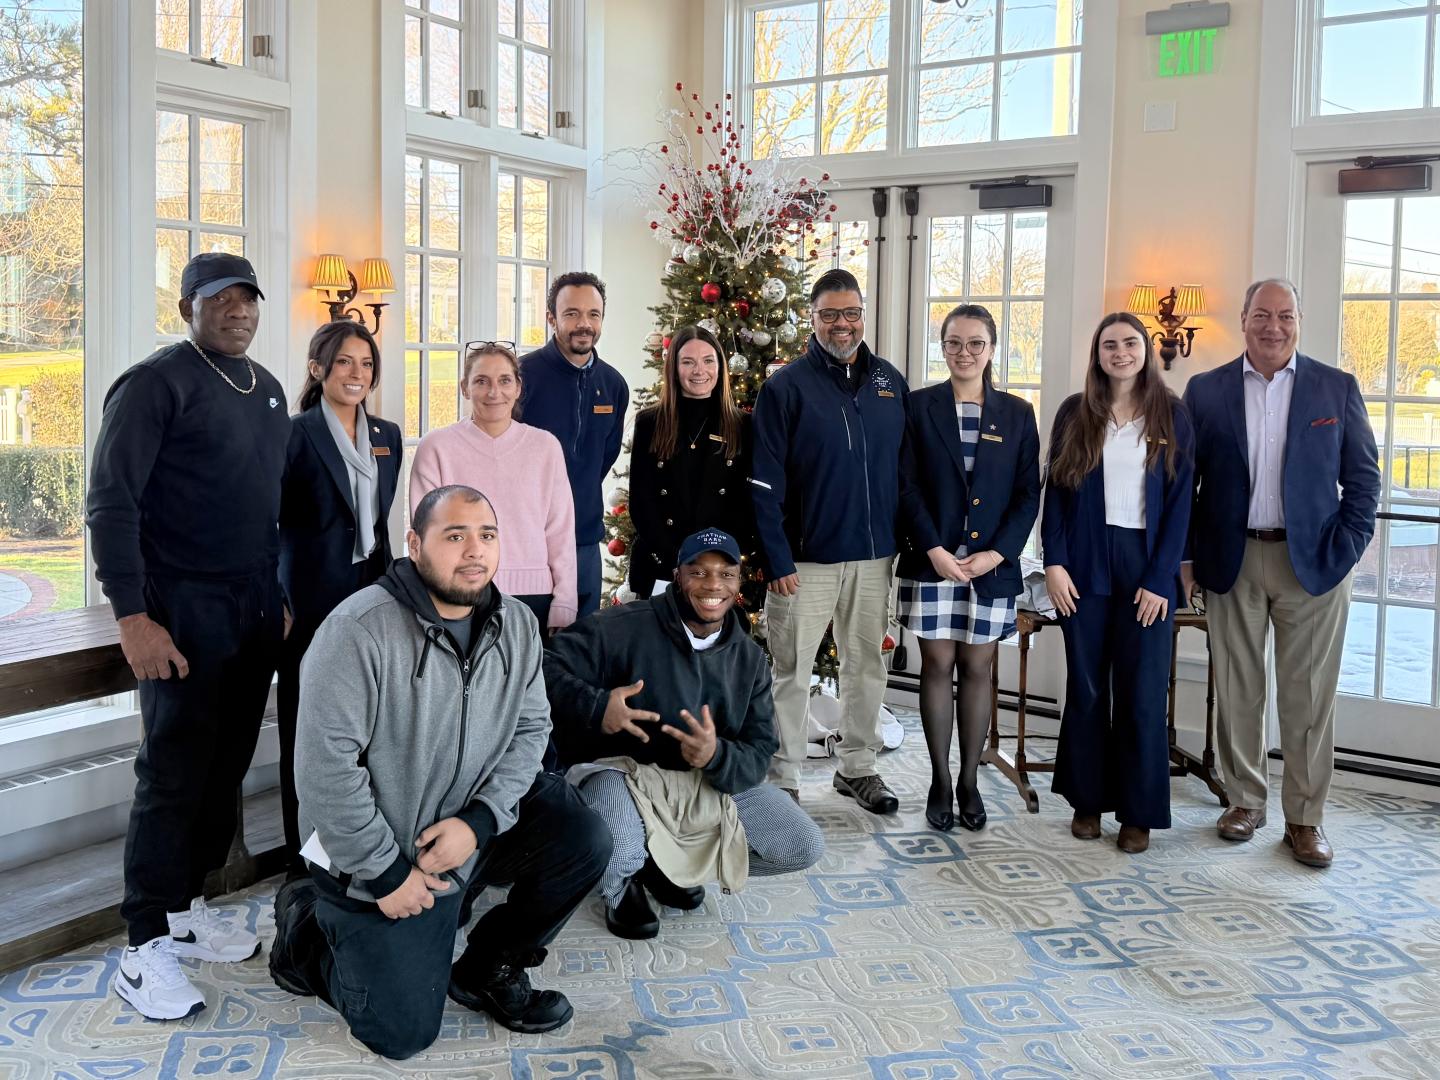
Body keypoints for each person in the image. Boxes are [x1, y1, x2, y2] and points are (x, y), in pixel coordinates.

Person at [267, 485, 611, 1059]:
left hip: (463, 833)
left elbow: (531, 732)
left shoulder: (518, 624)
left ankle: (487, 967)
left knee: (582, 833)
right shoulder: (358, 631)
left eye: (487, 535)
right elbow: (325, 771)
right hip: (383, 852)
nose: (474, 551)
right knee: (400, 1032)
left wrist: (478, 822)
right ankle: (304, 924)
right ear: (415, 544)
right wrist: (384, 874)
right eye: (454, 536)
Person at [86, 252, 289, 1020]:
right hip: (180, 609)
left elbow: (264, 506)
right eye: (220, 299)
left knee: (225, 766)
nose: (238, 309)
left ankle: (185, 908)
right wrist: (132, 616)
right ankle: (142, 948)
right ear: (188, 309)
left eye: (247, 298)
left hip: (251, 608)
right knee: (173, 774)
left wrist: (276, 597)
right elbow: (112, 504)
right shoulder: (154, 384)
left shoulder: (266, 390)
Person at [1181, 278, 1379, 868]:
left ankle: (1305, 818)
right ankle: (1244, 800)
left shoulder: (1335, 388)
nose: (1274, 326)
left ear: (1299, 320)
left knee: (1308, 697)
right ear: (1242, 319)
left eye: (1285, 315)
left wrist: (1346, 546)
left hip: (1314, 563)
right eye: (1262, 315)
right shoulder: (1206, 390)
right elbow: (1185, 484)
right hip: (1232, 559)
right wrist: (1188, 558)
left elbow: (1365, 481)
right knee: (1239, 690)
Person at [543, 528, 824, 939]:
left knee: (802, 845)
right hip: (623, 773)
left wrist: (716, 756)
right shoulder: (622, 626)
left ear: (739, 583)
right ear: (678, 576)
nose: (713, 585)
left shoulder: (749, 659)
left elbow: (760, 749)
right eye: (699, 572)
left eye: (726, 574)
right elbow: (546, 667)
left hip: (706, 780)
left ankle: (661, 866)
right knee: (615, 847)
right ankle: (623, 884)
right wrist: (597, 707)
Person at [751, 268, 910, 812]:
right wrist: (776, 558)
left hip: (874, 557)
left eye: (851, 313)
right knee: (791, 671)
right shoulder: (786, 387)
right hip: (805, 560)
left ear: (863, 314)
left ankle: (858, 769)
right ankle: (785, 778)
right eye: (829, 314)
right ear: (811, 318)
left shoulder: (890, 383)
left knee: (867, 665)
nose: (842, 325)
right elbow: (763, 483)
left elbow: (906, 472)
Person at [1041, 313, 1194, 854]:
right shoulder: (1073, 413)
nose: (1121, 352)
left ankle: (1137, 812)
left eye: (1131, 343)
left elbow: (1179, 506)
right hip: (1083, 563)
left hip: (1145, 566)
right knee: (1086, 687)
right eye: (1110, 344)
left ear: (1147, 350)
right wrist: (1053, 563)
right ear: (1097, 353)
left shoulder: (1172, 414)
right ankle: (1087, 801)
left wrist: (1160, 579)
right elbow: (1055, 493)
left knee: (1143, 694)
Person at [898, 304, 1040, 833]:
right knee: (936, 667)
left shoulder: (1018, 414)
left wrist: (997, 554)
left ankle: (969, 782)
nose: (964, 353)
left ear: (991, 349)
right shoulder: (917, 408)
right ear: (943, 347)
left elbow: (1029, 495)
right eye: (954, 343)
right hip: (932, 560)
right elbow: (904, 485)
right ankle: (938, 779)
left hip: (990, 565)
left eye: (975, 344)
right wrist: (933, 548)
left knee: (977, 669)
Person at [277, 321, 403, 869]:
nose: (358, 374)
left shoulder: (387, 435)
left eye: (367, 364)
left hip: (372, 593)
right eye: (346, 362)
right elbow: (266, 521)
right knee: (307, 723)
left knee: (372, 720)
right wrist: (276, 598)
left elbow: (380, 522)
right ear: (318, 369)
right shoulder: (294, 434)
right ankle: (303, 857)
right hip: (306, 599)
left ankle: (362, 844)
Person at [410, 340, 576, 631]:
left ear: (518, 388)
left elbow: (560, 531)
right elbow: (425, 535)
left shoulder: (545, 447)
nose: (493, 392)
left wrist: (564, 601)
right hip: (458, 593)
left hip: (533, 597)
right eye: (481, 381)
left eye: (504, 381)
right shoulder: (436, 447)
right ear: (465, 388)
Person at [519, 272, 629, 616]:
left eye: (593, 314)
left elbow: (604, 457)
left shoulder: (614, 385)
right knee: (524, 646)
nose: (584, 324)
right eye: (572, 314)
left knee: (578, 648)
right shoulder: (522, 377)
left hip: (583, 540)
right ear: (551, 318)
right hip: (526, 542)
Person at [628, 325, 754, 597]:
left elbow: (744, 506)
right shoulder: (649, 422)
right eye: (688, 362)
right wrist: (677, 562)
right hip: (659, 565)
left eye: (708, 361)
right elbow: (641, 503)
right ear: (674, 367)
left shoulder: (743, 425)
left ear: (720, 367)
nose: (700, 370)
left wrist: (711, 563)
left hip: (716, 570)